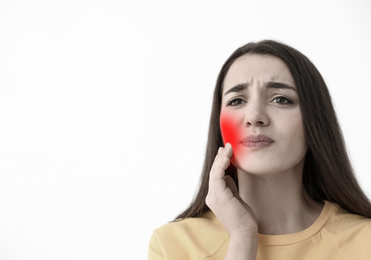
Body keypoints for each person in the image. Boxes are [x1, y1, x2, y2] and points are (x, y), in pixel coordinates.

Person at [148, 40, 371, 260]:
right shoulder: (172, 246)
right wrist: (242, 238)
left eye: (281, 99)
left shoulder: (365, 241)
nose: (254, 117)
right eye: (236, 101)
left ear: (314, 120)